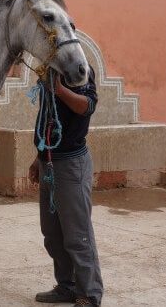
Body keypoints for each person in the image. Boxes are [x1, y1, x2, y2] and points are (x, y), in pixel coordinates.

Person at [28, 66, 103, 307]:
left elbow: (87, 106)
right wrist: (39, 156)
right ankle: (67, 286)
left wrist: (60, 90)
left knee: (77, 234)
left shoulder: (79, 68)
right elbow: (47, 116)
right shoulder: (49, 70)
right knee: (52, 233)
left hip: (71, 164)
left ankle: (90, 294)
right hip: (49, 161)